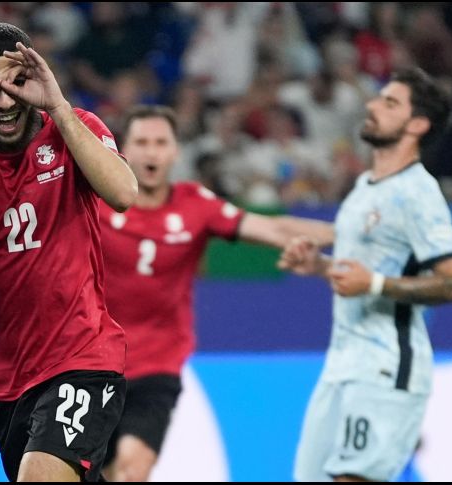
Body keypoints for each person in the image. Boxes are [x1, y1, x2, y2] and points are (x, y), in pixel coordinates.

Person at [0, 22, 138, 482]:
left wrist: (58, 104)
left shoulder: (74, 128)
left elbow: (124, 193)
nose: (5, 99)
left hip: (82, 357)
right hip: (3, 381)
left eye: (15, 80)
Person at [98, 105, 334, 482]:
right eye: (141, 142)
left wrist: (345, 231)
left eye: (161, 142)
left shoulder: (195, 204)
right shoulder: (94, 201)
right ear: (123, 150)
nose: (151, 152)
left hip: (157, 363)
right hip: (92, 361)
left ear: (176, 152)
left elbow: (274, 230)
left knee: (131, 470)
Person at [278, 67, 452, 482]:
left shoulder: (418, 192)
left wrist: (376, 285)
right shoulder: (365, 186)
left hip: (386, 367)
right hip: (341, 365)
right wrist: (321, 266)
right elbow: (367, 270)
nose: (372, 105)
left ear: (417, 124)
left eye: (389, 102)